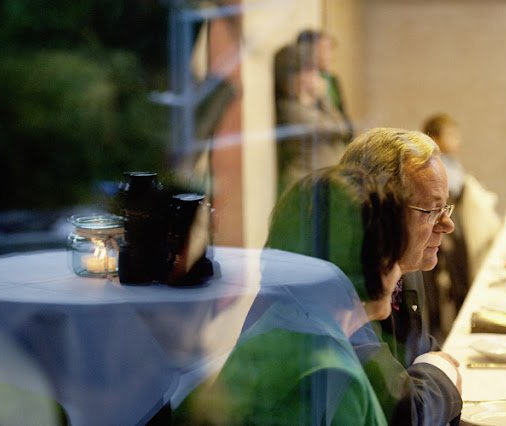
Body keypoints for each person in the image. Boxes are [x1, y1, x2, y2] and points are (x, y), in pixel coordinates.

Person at [173, 165, 408, 425]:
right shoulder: (331, 376)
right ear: (371, 263)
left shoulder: (277, 327)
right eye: (393, 253)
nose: (399, 270)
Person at [340, 127, 463, 425]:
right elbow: (404, 413)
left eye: (445, 207)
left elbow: (422, 354)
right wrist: (440, 374)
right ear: (381, 210)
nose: (448, 225)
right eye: (432, 210)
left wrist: (428, 376)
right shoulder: (345, 288)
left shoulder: (404, 269)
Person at [273, 43, 352, 196]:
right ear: (296, 76)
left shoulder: (310, 106)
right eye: (311, 71)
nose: (317, 77)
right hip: (305, 188)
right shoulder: (290, 109)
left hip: (320, 184)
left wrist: (320, 100)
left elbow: (343, 126)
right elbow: (339, 129)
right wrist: (323, 98)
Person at [421, 113, 470, 340]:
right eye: (452, 136)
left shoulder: (452, 163)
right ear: (435, 138)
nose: (458, 141)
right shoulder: (432, 166)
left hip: (453, 219)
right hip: (440, 227)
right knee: (434, 279)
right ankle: (436, 325)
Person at [296, 29, 353, 138]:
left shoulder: (332, 80)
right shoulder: (301, 81)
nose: (331, 56)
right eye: (325, 49)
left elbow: (342, 117)